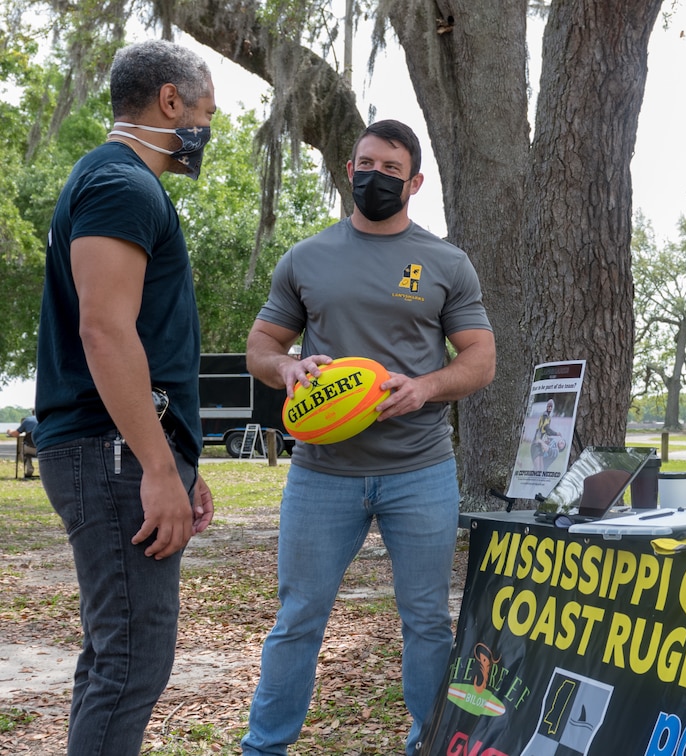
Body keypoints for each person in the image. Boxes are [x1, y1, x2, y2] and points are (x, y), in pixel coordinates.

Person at [241, 119, 495, 754]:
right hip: (322, 472)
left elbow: (480, 360)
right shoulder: (307, 258)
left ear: (414, 182)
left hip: (420, 470)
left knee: (428, 624)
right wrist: (288, 367)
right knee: (298, 620)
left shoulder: (445, 261)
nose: (373, 176)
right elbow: (262, 347)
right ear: (348, 169)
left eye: (389, 169)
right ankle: (264, 747)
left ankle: (428, 744)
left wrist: (426, 387)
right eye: (364, 163)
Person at [33, 39, 216, 755]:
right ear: (170, 100)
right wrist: (159, 470)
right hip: (110, 455)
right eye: (205, 111)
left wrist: (179, 461)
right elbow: (105, 332)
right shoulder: (121, 185)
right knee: (133, 660)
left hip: (119, 453)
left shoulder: (111, 181)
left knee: (115, 656)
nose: (207, 129)